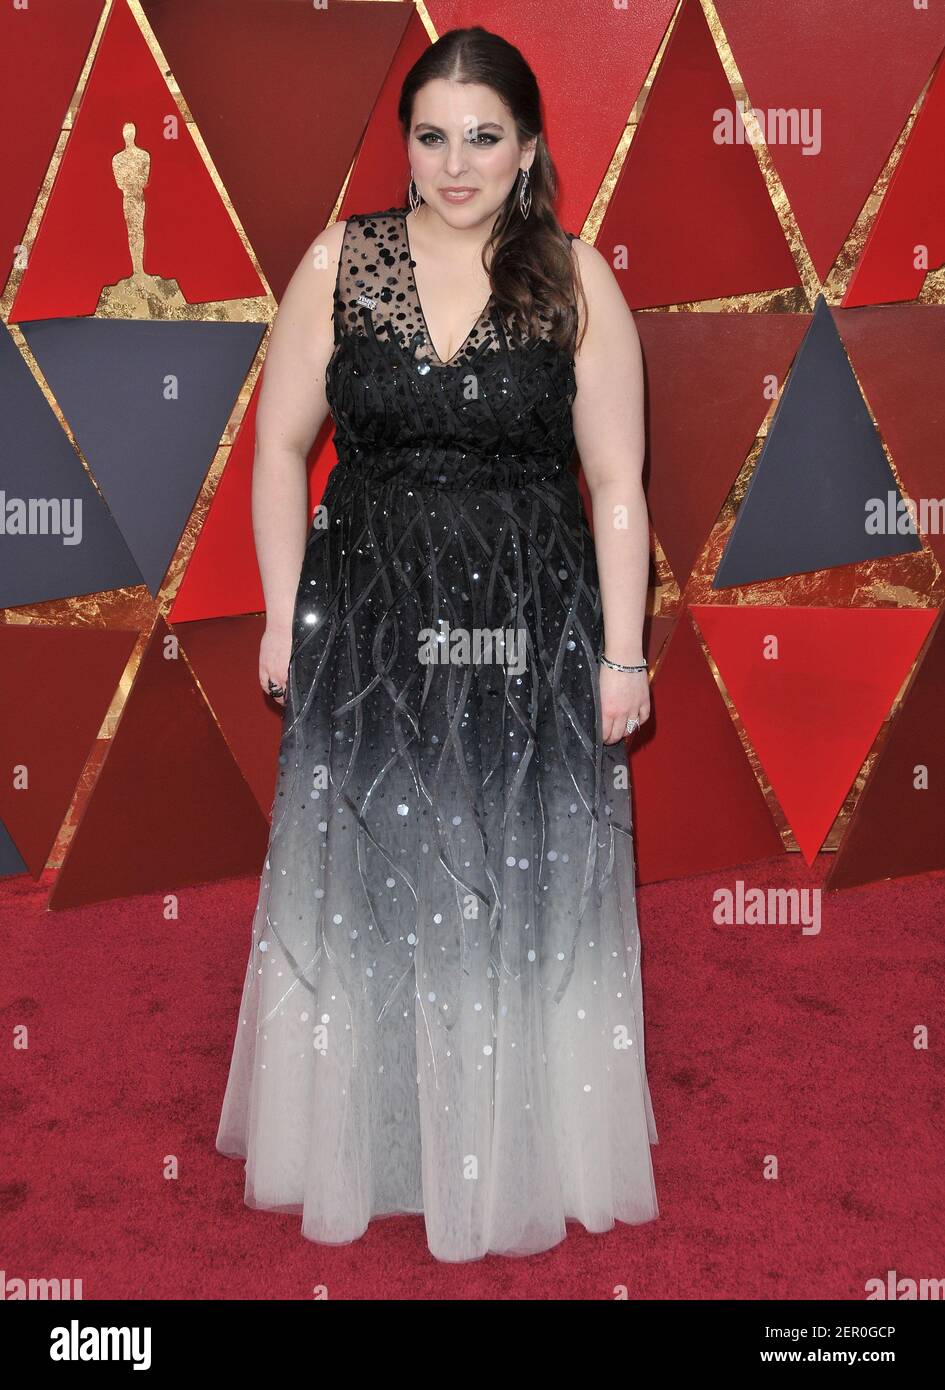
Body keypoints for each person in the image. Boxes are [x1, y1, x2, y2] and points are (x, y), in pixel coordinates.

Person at [216, 24, 658, 1263]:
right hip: (368, 610)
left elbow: (618, 481)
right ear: (404, 142)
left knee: (512, 864)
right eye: (430, 136)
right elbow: (276, 451)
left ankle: (519, 1136)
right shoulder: (339, 262)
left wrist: (623, 655)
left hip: (530, 614)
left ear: (527, 151)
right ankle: (380, 1129)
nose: (454, 164)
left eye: (483, 137)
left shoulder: (574, 278)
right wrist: (277, 613)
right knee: (377, 870)